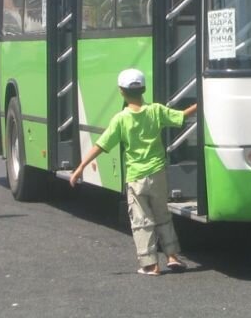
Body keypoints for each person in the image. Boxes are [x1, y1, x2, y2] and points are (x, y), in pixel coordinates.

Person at [70, 68, 197, 275]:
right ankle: (172, 256)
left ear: (121, 92)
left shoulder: (121, 119)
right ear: (144, 89)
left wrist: (81, 167)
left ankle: (150, 264)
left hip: (136, 177)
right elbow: (181, 117)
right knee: (162, 214)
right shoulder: (156, 110)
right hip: (158, 173)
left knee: (141, 220)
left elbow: (100, 145)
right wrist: (200, 104)